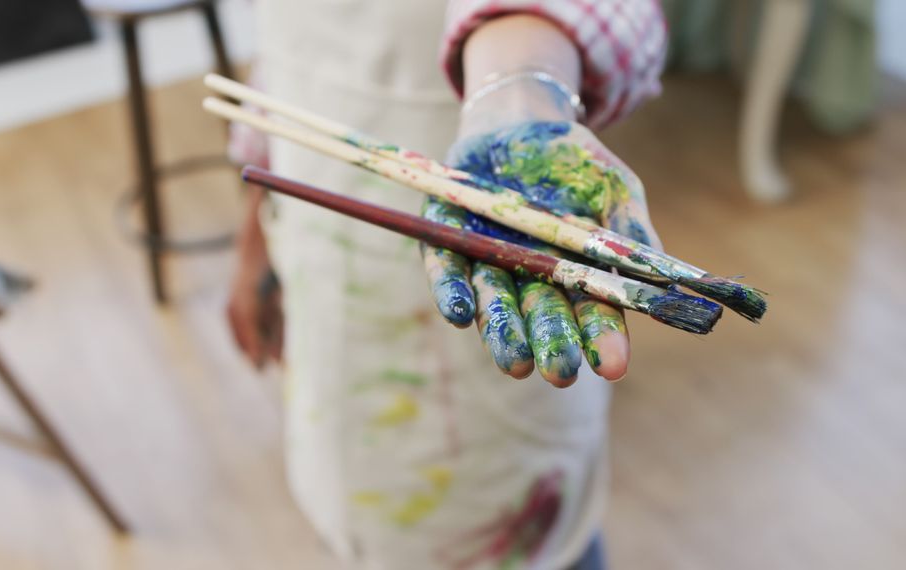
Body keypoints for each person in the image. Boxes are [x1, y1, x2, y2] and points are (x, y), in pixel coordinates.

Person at [226, 1, 667, 568]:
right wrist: (253, 238)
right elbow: (285, 61)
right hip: (323, 278)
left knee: (523, 542)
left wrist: (517, 93)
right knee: (351, 515)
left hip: (491, 320)